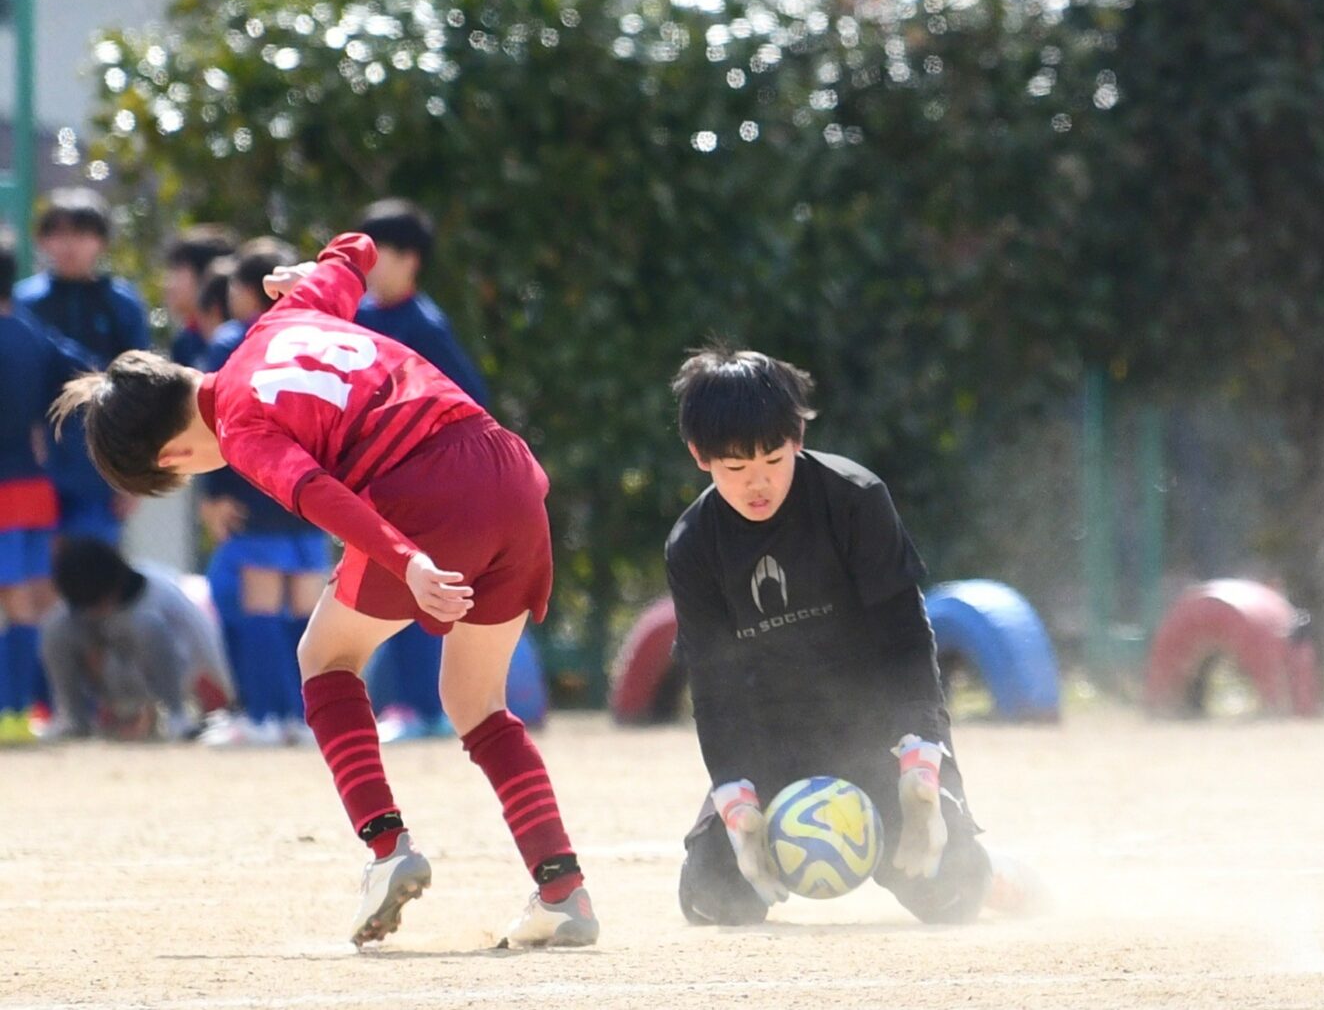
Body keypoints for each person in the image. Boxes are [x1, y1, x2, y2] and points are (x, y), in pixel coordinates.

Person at [50, 233, 597, 949]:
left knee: (324, 658)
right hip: (510, 473)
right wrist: (308, 270)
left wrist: (408, 560)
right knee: (476, 702)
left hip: (425, 494)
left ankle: (387, 848)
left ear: (173, 455)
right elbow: (356, 250)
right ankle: (562, 889)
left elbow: (319, 494)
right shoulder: (283, 317)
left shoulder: (240, 424)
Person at [666, 345, 1015, 927]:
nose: (758, 483)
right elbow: (713, 687)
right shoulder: (693, 544)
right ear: (700, 457)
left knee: (951, 891)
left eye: (773, 459)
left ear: (797, 437)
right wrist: (734, 795)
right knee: (712, 897)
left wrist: (920, 756)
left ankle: (994, 875)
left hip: (878, 735)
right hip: (773, 742)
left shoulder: (855, 499)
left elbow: (908, 639)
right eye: (735, 468)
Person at [353, 200, 488, 742]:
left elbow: (470, 401)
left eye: (377, 254)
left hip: (420, 482)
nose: (366, 265)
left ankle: (422, 709)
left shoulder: (426, 326)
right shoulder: (358, 318)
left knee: (413, 587)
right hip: (373, 480)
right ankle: (407, 705)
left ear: (410, 260)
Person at [196, 238, 332, 748]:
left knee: (260, 610)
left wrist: (212, 493)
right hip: (314, 493)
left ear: (246, 289)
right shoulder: (317, 336)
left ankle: (265, 717)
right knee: (308, 615)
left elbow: (215, 415)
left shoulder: (232, 340)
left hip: (255, 489)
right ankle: (311, 720)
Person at [13, 187, 147, 545]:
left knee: (93, 565)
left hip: (100, 461)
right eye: (57, 233)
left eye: (81, 233)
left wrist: (136, 473)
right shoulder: (24, 302)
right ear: (42, 240)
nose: (69, 245)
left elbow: (142, 391)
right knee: (36, 568)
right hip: (32, 461)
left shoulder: (122, 303)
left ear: (101, 241)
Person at [0, 235, 95, 743]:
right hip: (37, 492)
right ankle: (33, 710)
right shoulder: (33, 334)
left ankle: (10, 713)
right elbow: (88, 370)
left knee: (15, 603)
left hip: (3, 493)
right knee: (35, 603)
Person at [40, 537, 233, 742]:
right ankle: (74, 720)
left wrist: (234, 696)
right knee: (56, 624)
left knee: (146, 624)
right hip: (107, 679)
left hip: (164, 676)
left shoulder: (161, 592)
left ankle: (177, 717)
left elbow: (205, 639)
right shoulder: (79, 602)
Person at [161, 225, 238, 369]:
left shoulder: (243, 337)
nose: (168, 283)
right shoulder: (184, 342)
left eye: (178, 270)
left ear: (209, 275)